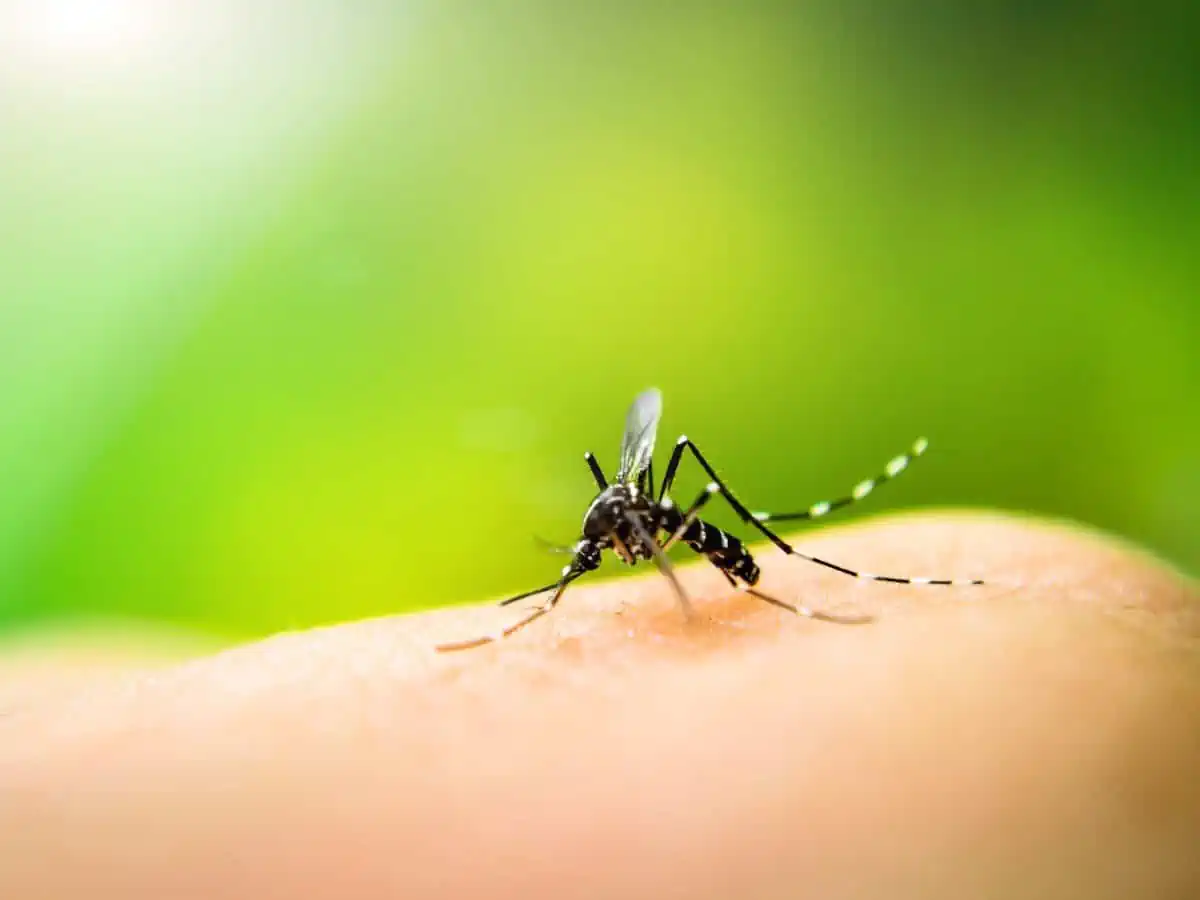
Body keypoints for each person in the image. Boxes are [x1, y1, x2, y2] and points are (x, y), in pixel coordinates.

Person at [0, 512, 1197, 898]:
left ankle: (786, 576)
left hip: (736, 557)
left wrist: (705, 584)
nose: (593, 554)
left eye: (591, 549)